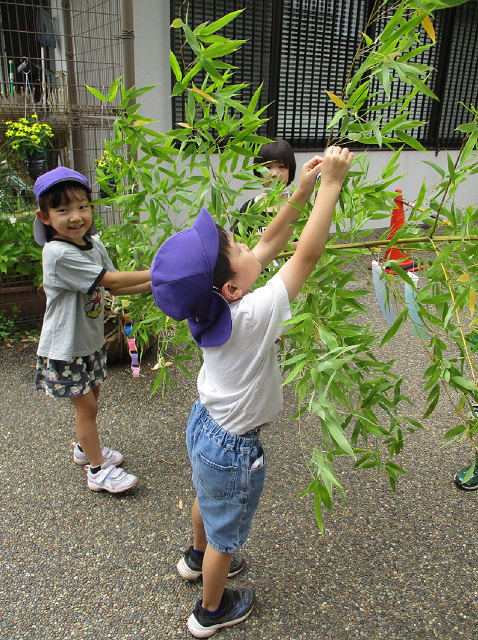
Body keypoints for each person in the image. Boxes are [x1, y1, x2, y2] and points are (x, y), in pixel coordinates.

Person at [151, 146, 353, 637]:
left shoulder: (214, 308)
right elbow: (305, 253)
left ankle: (196, 558)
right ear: (231, 288)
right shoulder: (254, 314)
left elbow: (270, 242)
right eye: (235, 247)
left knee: (205, 497)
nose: (247, 244)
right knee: (227, 534)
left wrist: (299, 192)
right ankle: (211, 610)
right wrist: (331, 187)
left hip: (205, 425)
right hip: (233, 445)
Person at [33, 167, 152, 494]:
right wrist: (158, 270)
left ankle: (86, 450)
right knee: (87, 409)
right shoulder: (57, 253)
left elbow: (119, 288)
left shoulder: (93, 244)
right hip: (65, 348)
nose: (75, 217)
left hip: (89, 342)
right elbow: (111, 281)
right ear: (44, 217)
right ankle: (98, 471)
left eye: (82, 206)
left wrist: (158, 284)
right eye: (63, 210)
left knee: (93, 400)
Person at [232, 138, 296, 238]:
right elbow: (238, 243)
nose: (274, 174)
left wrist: (275, 243)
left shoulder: (298, 205)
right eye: (268, 167)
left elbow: (311, 244)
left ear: (291, 169)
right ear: (258, 171)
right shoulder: (249, 208)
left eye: (282, 166)